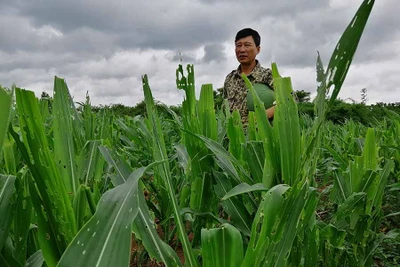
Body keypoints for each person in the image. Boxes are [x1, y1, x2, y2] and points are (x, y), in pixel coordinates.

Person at [222, 28, 275, 125]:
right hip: (233, 137)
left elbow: (291, 99)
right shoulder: (230, 79)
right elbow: (224, 109)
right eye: (238, 46)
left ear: (258, 49)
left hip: (260, 136)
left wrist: (265, 115)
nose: (242, 50)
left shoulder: (267, 75)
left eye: (247, 45)